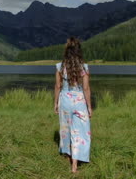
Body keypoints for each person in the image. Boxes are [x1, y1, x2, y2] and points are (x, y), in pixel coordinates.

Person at [54, 36, 92, 174]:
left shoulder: (60, 66)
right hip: (79, 101)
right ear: (78, 51)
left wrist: (55, 103)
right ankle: (75, 163)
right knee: (81, 130)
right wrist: (89, 106)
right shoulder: (84, 66)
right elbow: (86, 88)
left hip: (64, 100)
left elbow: (58, 86)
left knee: (66, 129)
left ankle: (69, 155)